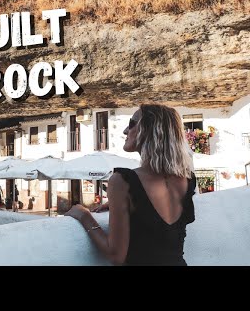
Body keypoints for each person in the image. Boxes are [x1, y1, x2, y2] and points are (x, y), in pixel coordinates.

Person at [66, 104, 196, 266]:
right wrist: (125, 202)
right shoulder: (187, 178)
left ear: (150, 130)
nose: (125, 131)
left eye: (132, 123)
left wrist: (83, 214)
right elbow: (160, 227)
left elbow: (115, 256)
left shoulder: (122, 181)